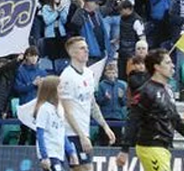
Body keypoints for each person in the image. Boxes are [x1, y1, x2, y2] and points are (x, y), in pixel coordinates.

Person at [118, 49, 184, 171]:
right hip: (151, 146)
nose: (172, 66)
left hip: (164, 147)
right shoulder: (146, 91)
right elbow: (133, 119)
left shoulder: (168, 90)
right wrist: (124, 149)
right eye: (168, 63)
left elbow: (175, 119)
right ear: (157, 67)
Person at [60, 37, 116, 171]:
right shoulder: (66, 77)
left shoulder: (89, 74)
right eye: (82, 48)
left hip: (84, 131)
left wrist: (105, 126)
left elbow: (92, 103)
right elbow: (67, 111)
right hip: (71, 133)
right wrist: (81, 136)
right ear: (72, 53)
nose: (86, 50)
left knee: (87, 168)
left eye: (86, 48)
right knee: (84, 169)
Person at [34, 76, 76, 171]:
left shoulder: (60, 109)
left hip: (59, 153)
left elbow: (62, 133)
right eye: (59, 88)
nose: (62, 90)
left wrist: (70, 151)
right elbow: (40, 134)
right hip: (50, 153)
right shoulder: (44, 109)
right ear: (52, 90)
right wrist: (44, 156)